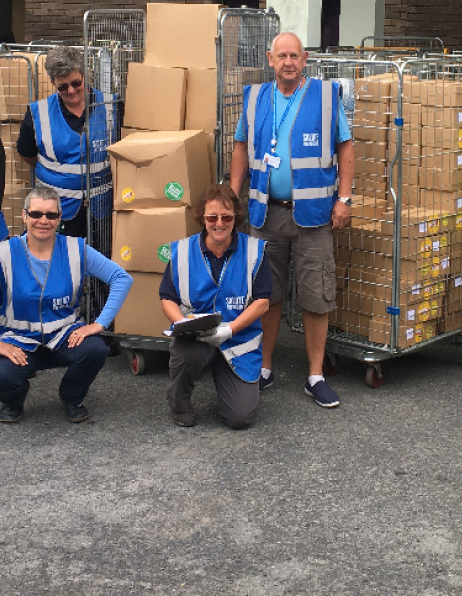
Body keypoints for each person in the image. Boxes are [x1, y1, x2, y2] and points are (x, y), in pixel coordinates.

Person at [230, 31, 354, 409]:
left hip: (313, 217)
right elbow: (239, 146)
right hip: (265, 214)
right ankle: (264, 367)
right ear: (270, 59)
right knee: (267, 295)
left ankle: (314, 375)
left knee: (316, 296)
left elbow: (345, 147)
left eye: (294, 56)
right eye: (281, 55)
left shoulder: (325, 96)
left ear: (305, 59)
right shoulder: (254, 98)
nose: (288, 62)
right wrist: (232, 196)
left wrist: (344, 199)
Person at [0, 187, 132, 424]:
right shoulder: (4, 253)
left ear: (59, 218)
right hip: (18, 340)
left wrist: (99, 324)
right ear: (24, 216)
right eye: (36, 214)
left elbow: (121, 278)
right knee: (3, 375)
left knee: (95, 350)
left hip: (64, 337)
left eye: (51, 215)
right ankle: (13, 400)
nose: (43, 221)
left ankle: (72, 396)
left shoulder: (76, 249)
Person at [159, 183, 272, 429]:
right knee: (186, 353)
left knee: (240, 419)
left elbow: (263, 302)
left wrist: (229, 330)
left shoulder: (255, 251)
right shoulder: (181, 251)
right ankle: (180, 405)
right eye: (212, 216)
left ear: (236, 218)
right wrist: (181, 322)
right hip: (195, 337)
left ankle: (228, 377)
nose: (219, 223)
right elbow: (167, 297)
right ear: (202, 217)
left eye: (226, 217)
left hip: (238, 340)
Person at [16, 46, 115, 240]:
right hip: (57, 211)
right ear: (52, 82)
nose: (70, 91)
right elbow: (27, 153)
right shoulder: (38, 113)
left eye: (76, 83)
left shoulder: (112, 106)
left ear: (84, 76)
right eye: (62, 87)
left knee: (100, 261)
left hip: (101, 208)